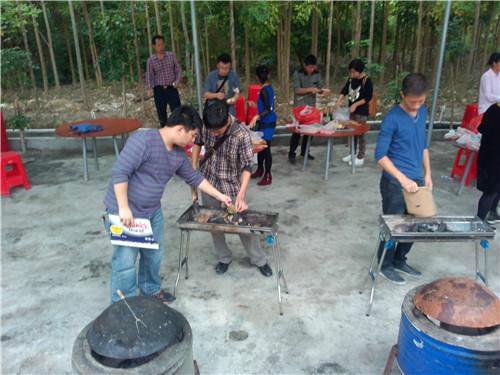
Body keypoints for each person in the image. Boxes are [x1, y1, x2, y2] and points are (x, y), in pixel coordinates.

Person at [104, 106, 231, 304]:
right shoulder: (143, 141)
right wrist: (123, 207)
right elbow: (120, 173)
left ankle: (151, 290)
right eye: (193, 135)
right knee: (126, 262)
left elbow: (194, 178)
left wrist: (221, 196)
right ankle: (123, 306)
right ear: (181, 129)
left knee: (154, 254)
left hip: (152, 211)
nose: (194, 141)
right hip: (126, 212)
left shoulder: (178, 155)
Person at [192, 100, 273, 277]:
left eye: (217, 131)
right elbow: (198, 142)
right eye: (210, 130)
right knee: (214, 224)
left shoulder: (241, 134)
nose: (212, 133)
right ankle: (224, 258)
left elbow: (246, 167)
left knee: (242, 224)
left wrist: (241, 195)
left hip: (231, 185)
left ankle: (259, 259)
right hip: (209, 182)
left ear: (226, 121)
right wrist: (193, 168)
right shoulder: (207, 124)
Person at [374, 73, 432, 285]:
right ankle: (385, 264)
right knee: (394, 226)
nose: (417, 106)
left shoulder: (422, 112)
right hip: (394, 183)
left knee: (416, 225)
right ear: (402, 95)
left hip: (418, 179)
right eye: (412, 101)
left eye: (421, 101)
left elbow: (423, 145)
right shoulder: (392, 118)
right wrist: (402, 178)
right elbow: (380, 155)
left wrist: (428, 173)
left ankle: (400, 259)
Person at [288, 54, 326, 164]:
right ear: (305, 65)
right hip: (299, 106)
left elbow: (320, 88)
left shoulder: (317, 74)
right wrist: (310, 89)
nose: (312, 69)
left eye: (313, 67)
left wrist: (323, 91)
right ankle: (292, 153)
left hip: (311, 106)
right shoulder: (297, 74)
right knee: (297, 131)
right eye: (310, 67)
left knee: (309, 130)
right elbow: (297, 90)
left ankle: (305, 152)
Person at [335, 58, 373, 167]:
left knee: (360, 133)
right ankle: (352, 153)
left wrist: (356, 104)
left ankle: (360, 157)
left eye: (353, 72)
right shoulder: (351, 79)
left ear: (360, 71)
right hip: (350, 111)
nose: (351, 74)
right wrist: (338, 102)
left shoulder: (367, 81)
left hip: (361, 112)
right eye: (350, 71)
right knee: (351, 132)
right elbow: (344, 91)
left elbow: (368, 97)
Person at [249, 65, 277, 186]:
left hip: (268, 123)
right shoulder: (268, 88)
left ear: (256, 77)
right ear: (268, 76)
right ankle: (260, 169)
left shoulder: (265, 90)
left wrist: (257, 116)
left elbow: (269, 109)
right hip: (265, 122)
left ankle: (268, 175)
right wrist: (255, 106)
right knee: (261, 148)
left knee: (265, 149)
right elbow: (266, 105)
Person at [146, 35, 182, 127]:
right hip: (159, 90)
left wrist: (177, 80)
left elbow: (178, 69)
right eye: (158, 45)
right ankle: (165, 133)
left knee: (177, 111)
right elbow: (150, 75)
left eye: (162, 44)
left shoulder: (171, 56)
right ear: (154, 46)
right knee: (161, 113)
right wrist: (149, 88)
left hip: (172, 87)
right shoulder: (151, 60)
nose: (161, 47)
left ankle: (177, 131)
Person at [476, 103, 500, 224]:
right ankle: (478, 221)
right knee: (490, 192)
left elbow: (481, 128)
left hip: (486, 155)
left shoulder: (493, 107)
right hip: (496, 160)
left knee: (494, 189)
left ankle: (492, 212)